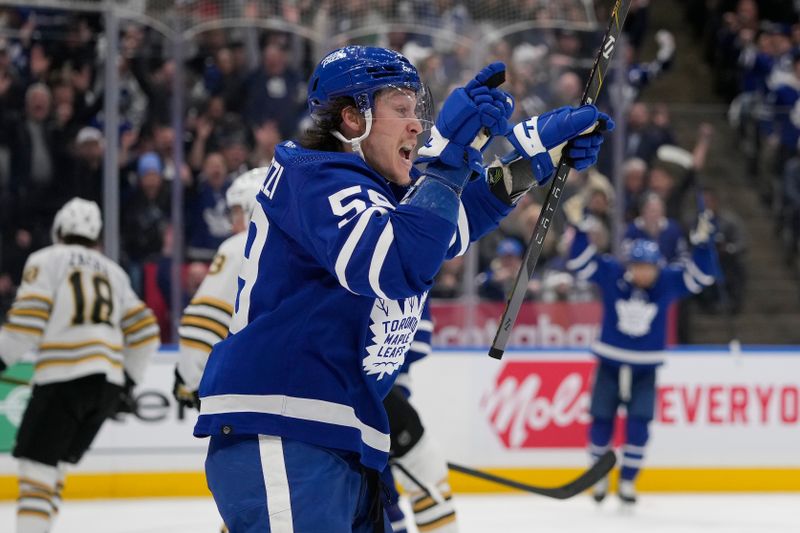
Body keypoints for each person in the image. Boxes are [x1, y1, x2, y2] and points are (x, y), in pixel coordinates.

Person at [194, 45, 612, 532]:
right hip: (285, 424)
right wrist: (452, 156)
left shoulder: (374, 189)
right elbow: (394, 262)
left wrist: (535, 155)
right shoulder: (314, 174)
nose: (417, 124)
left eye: (418, 110)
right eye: (400, 109)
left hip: (334, 431)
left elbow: (445, 225)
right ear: (353, 119)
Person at [0, 198, 160, 533]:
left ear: (58, 231)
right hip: (106, 385)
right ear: (97, 237)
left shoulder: (47, 259)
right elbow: (146, 332)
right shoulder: (114, 272)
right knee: (52, 470)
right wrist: (128, 382)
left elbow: (27, 322)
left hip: (64, 376)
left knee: (35, 471)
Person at [566, 209, 716, 505]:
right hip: (609, 362)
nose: (644, 272)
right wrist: (581, 228)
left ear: (658, 266)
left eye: (649, 267)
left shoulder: (667, 281)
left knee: (639, 423)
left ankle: (628, 482)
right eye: (639, 266)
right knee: (601, 420)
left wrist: (703, 244)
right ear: (630, 265)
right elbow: (580, 262)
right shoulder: (613, 275)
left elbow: (702, 276)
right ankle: (598, 478)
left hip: (646, 368)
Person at [174, 167, 268, 408]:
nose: (232, 225)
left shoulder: (240, 246)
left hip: (249, 385)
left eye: (236, 214)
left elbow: (204, 321)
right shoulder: (311, 245)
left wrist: (190, 379)